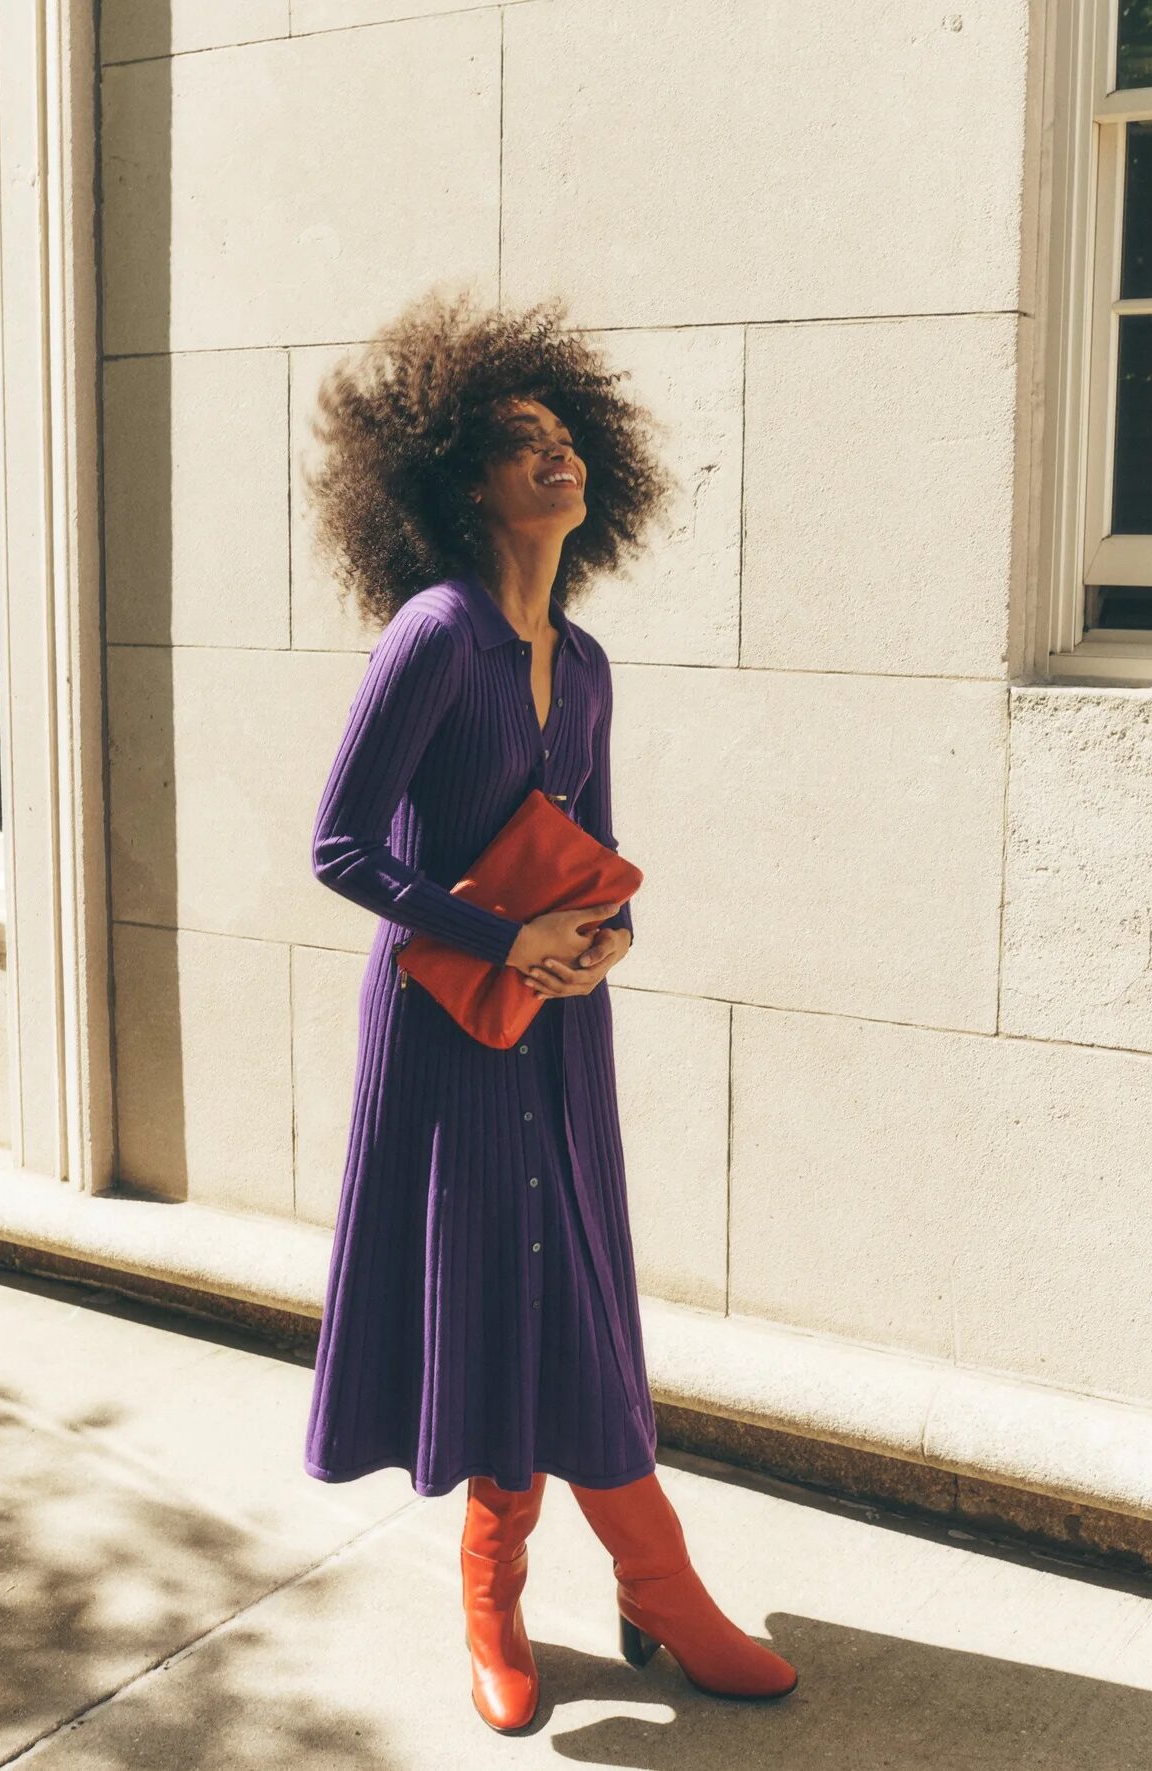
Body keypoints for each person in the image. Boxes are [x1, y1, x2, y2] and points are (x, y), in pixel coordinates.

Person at [300, 285, 798, 1730]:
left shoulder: (580, 664)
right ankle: (509, 1593)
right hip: (448, 1029)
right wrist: (499, 935)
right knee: (498, 1288)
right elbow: (342, 846)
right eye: (523, 440)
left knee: (568, 1280)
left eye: (568, 432)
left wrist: (604, 940)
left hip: (557, 1028)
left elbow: (600, 842)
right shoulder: (435, 636)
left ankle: (647, 1590)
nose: (559, 452)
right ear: (461, 481)